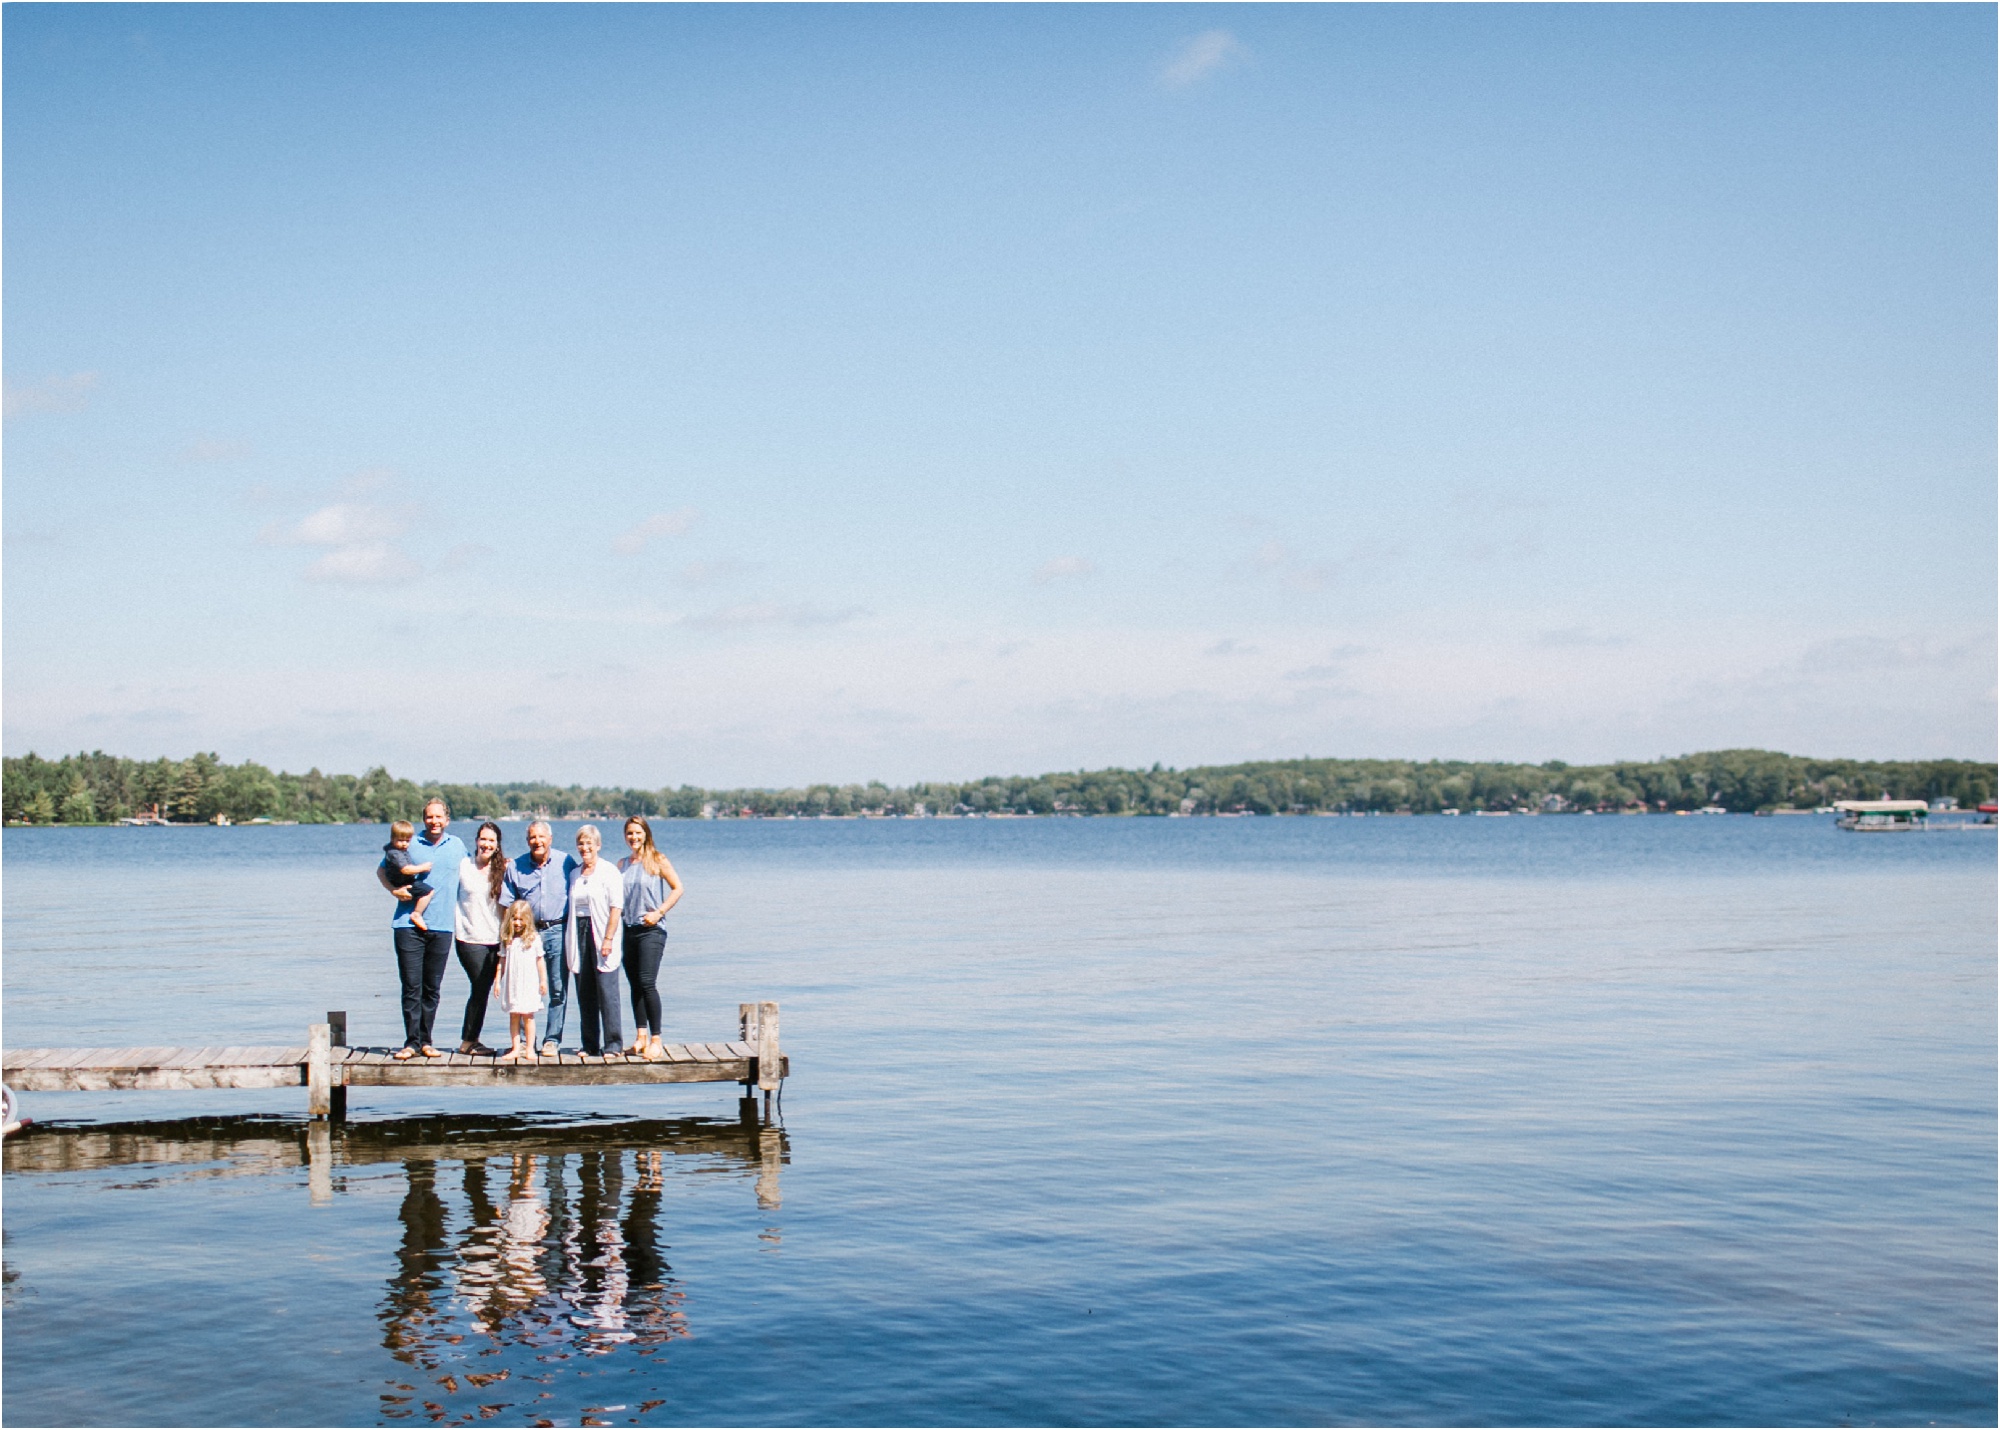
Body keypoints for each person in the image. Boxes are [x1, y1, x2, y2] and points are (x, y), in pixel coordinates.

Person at [378, 798, 465, 1059]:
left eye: (439, 817)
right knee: (411, 986)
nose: (434, 821)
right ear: (423, 819)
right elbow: (381, 871)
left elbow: (477, 869)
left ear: (447, 820)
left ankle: (426, 1041)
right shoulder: (410, 842)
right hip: (407, 925)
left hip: (442, 926)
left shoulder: (457, 845)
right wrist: (393, 890)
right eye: (429, 817)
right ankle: (411, 1043)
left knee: (432, 988)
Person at [500, 821, 578, 1056]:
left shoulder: (566, 862)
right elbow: (506, 904)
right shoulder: (515, 867)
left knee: (556, 987)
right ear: (527, 841)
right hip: (526, 934)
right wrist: (507, 936)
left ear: (550, 839)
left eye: (542, 837)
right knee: (520, 985)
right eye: (533, 837)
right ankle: (523, 1042)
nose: (537, 841)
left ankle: (551, 1040)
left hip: (556, 930)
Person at [618, 816, 684, 1060]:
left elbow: (678, 888)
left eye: (637, 833)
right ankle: (640, 1037)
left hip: (652, 931)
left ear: (646, 834)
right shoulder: (622, 864)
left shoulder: (657, 860)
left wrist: (659, 912)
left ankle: (656, 1039)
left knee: (647, 982)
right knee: (635, 985)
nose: (633, 838)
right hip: (629, 929)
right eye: (629, 834)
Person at [566, 824, 626, 1057]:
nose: (585, 848)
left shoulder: (609, 871)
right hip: (578, 930)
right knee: (585, 990)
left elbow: (616, 907)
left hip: (602, 931)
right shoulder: (574, 874)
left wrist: (608, 938)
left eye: (589, 843)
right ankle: (590, 1043)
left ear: (598, 845)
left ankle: (613, 1043)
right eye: (581, 843)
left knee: (607, 990)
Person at [454, 821, 507, 1055]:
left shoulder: (502, 869)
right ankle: (468, 1041)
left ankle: (472, 1040)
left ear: (497, 845)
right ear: (476, 841)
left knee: (482, 988)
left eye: (491, 841)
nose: (486, 844)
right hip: (468, 938)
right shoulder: (463, 865)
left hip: (494, 939)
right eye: (483, 839)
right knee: (481, 985)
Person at [496, 899, 549, 1061]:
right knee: (514, 1015)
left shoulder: (533, 939)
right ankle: (516, 1048)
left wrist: (543, 981)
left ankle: (530, 1048)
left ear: (527, 920)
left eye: (521, 919)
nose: (517, 923)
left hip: (528, 982)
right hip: (513, 983)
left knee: (528, 1015)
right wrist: (497, 981)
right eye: (514, 919)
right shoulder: (507, 940)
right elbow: (502, 962)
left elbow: (540, 961)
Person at [379, 821, 436, 932]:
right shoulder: (395, 853)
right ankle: (417, 914)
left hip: (402, 881)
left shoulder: (394, 849)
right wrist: (422, 868)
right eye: (400, 840)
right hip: (403, 883)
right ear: (392, 838)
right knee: (429, 892)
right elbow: (405, 869)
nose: (404, 844)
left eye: (407, 841)